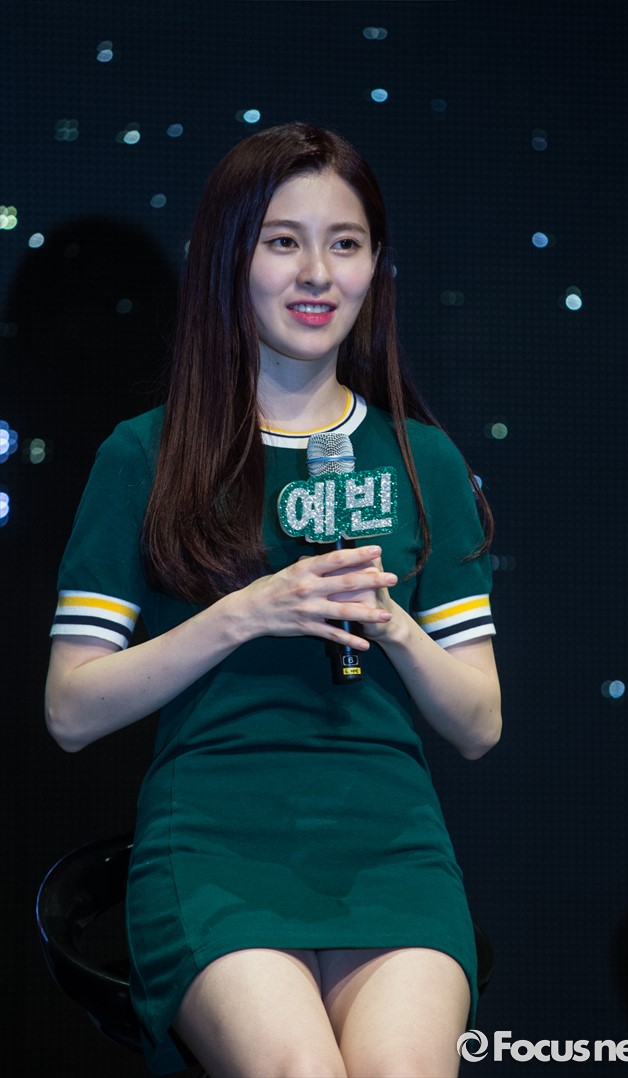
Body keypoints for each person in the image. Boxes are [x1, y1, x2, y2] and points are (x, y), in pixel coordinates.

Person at [45, 122, 502, 1078]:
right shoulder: (146, 455)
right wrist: (246, 612)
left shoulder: (423, 461)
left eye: (346, 244)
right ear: (229, 257)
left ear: (376, 267)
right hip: (216, 841)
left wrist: (394, 626)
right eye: (283, 241)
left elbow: (478, 724)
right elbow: (72, 710)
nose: (317, 274)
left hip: (390, 845)